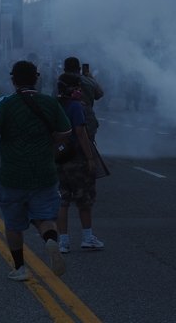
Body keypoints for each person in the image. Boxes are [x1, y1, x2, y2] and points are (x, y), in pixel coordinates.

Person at [0, 60, 72, 281]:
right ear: (37, 78)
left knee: (14, 225)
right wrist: (49, 143)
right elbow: (66, 131)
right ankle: (50, 240)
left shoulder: (6, 102)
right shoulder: (50, 103)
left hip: (13, 175)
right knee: (45, 217)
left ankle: (20, 268)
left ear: (13, 80)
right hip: (44, 172)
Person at [55, 73, 104, 253]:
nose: (79, 89)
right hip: (77, 158)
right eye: (77, 86)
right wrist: (90, 157)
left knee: (63, 200)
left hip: (59, 157)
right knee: (84, 199)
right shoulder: (75, 106)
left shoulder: (54, 104)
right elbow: (81, 133)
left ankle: (63, 241)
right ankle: (87, 237)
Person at [63, 57, 104, 141]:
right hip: (87, 122)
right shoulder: (88, 80)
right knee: (88, 147)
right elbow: (99, 94)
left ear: (64, 69)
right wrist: (91, 78)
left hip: (67, 122)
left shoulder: (61, 81)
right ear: (79, 69)